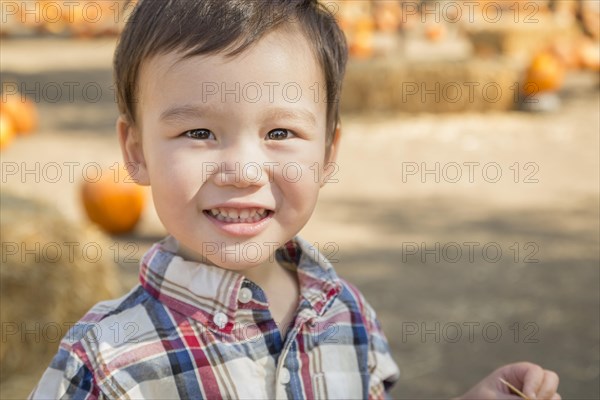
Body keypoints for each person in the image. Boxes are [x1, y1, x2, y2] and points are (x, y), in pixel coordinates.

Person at [30, 0, 560, 398]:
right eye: (198, 133)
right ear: (136, 151)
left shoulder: (346, 314)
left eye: (280, 134)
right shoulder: (106, 361)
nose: (242, 171)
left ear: (329, 152)